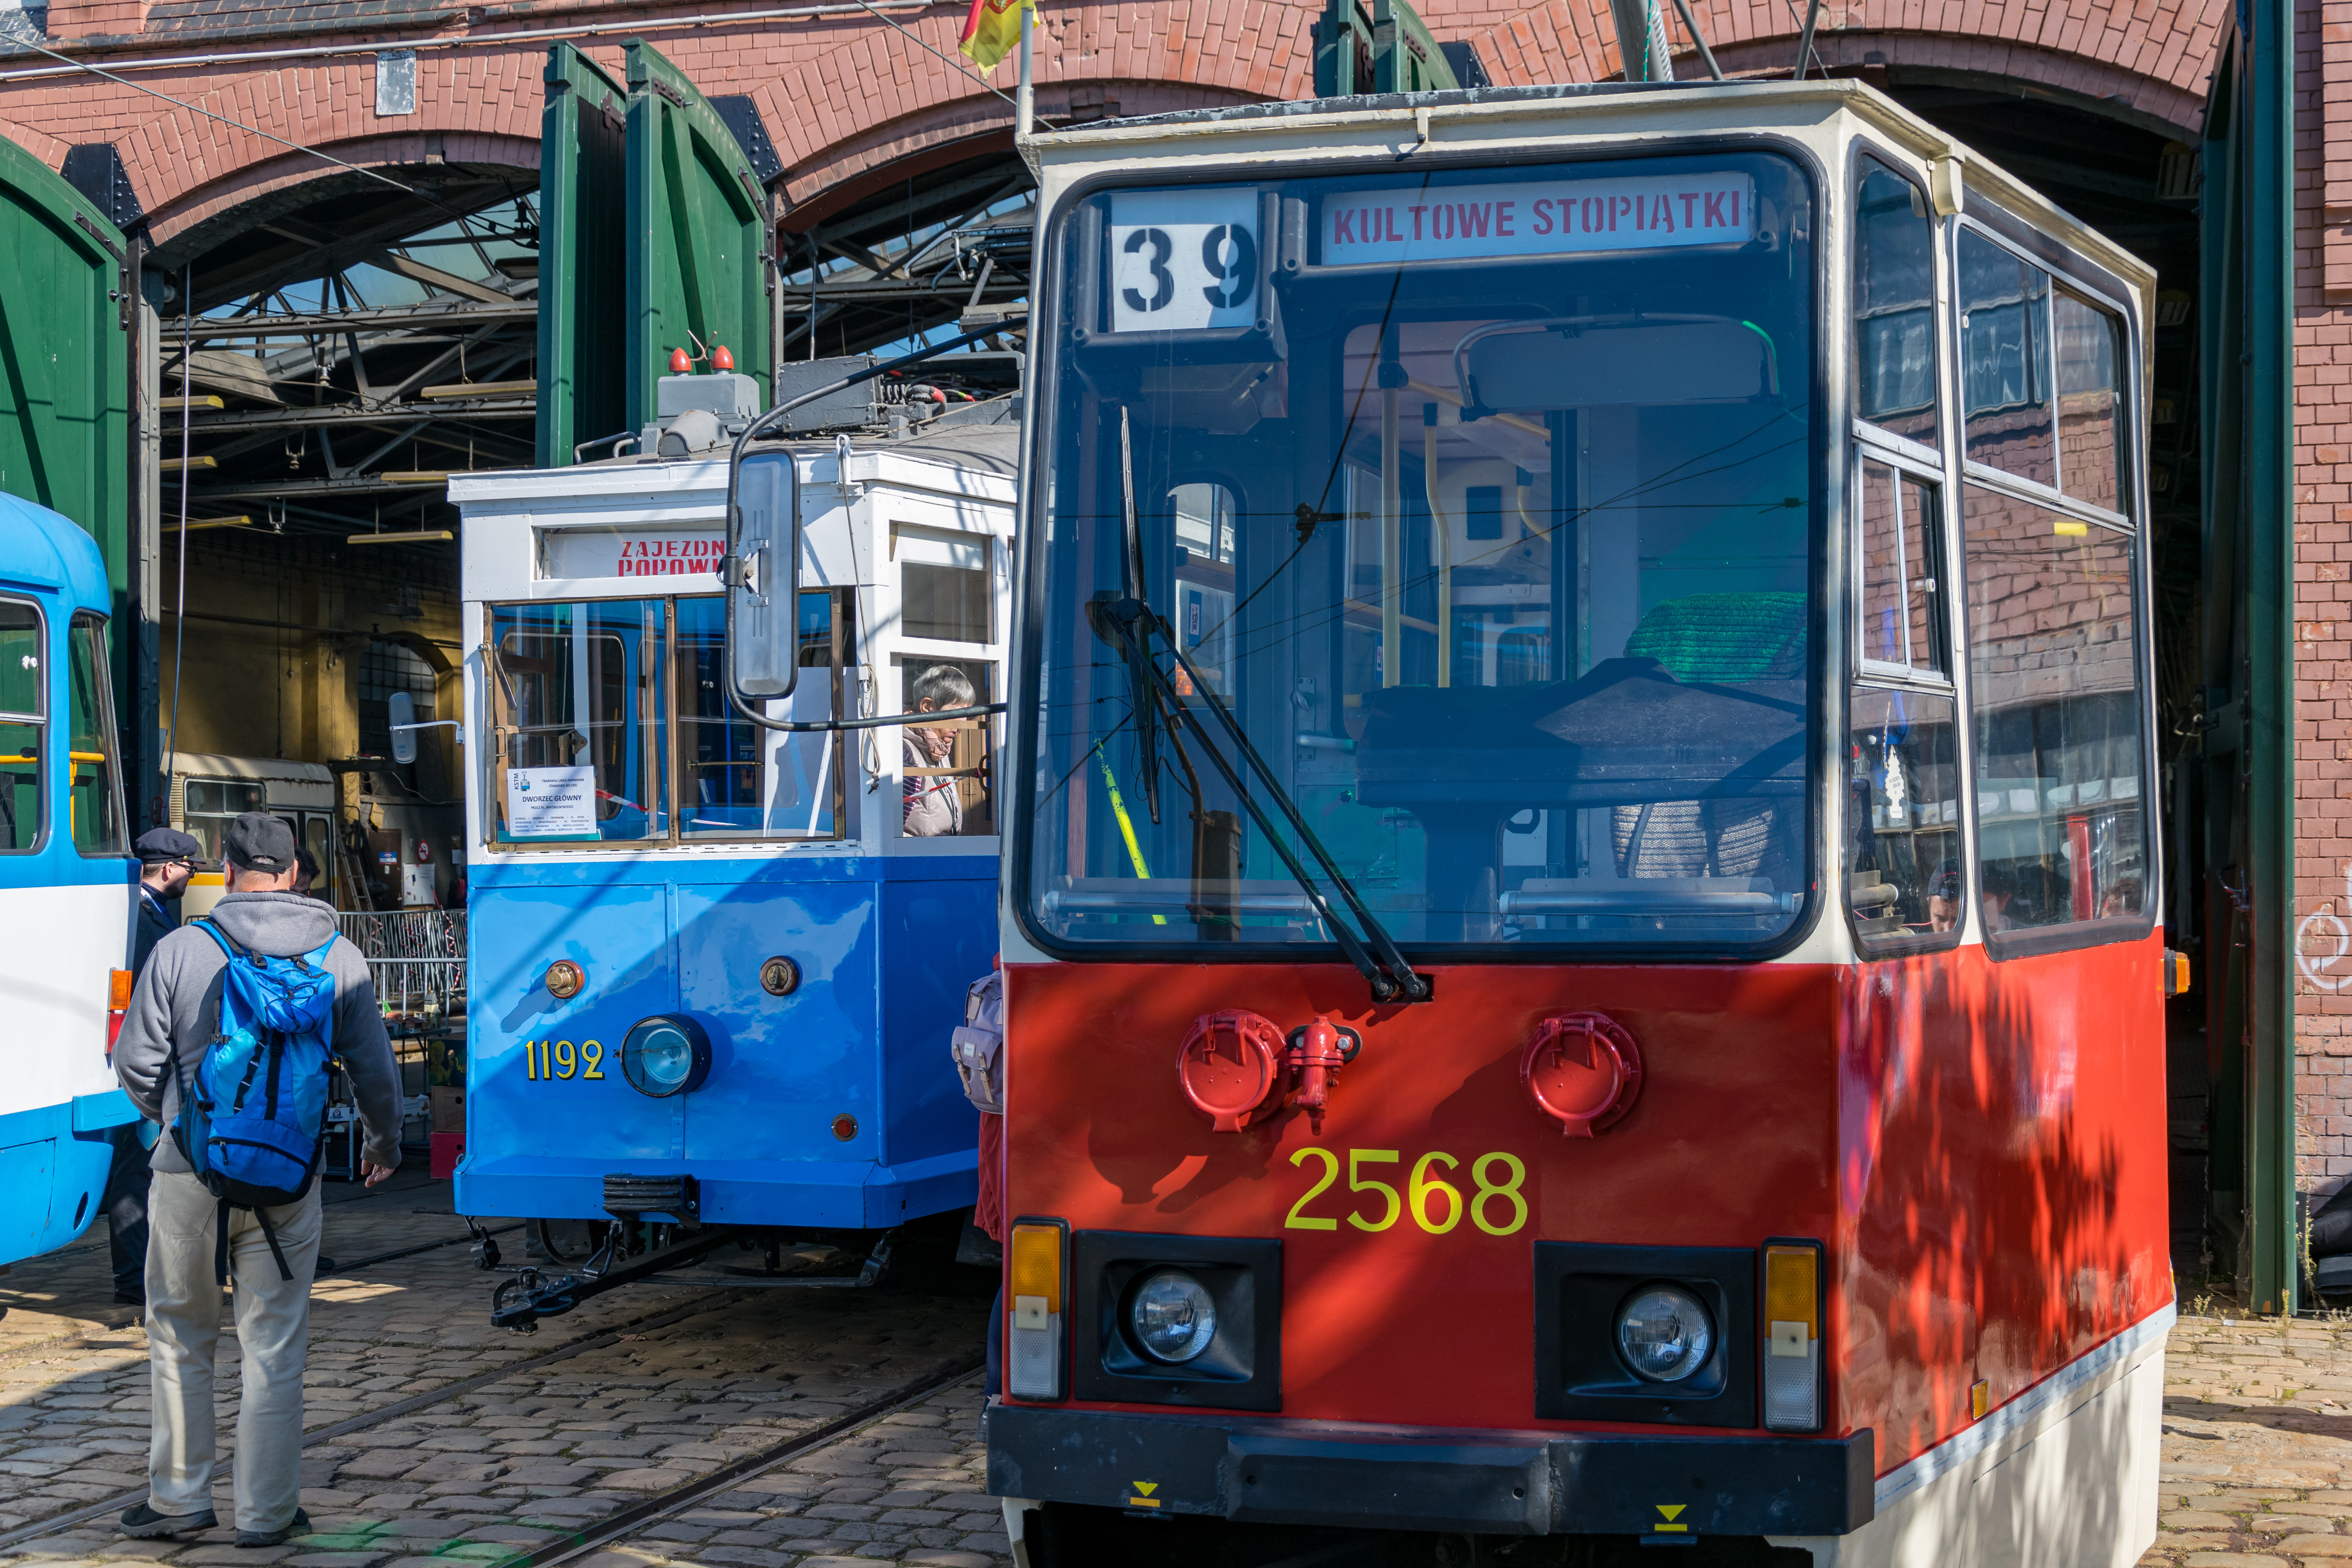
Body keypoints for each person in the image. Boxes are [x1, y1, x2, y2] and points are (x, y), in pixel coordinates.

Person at [111, 813, 405, 1547]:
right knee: (275, 1346)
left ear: (228, 869)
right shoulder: (341, 958)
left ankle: (179, 1500)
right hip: (291, 1182)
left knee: (180, 1333)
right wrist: (384, 1144)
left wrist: (180, 1120)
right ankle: (267, 1512)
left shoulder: (182, 948)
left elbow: (134, 1064)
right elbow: (375, 1071)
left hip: (189, 1175)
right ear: (297, 874)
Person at [105, 829, 204, 1307]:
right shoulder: (144, 921)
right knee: (133, 1169)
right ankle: (132, 1277)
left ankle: (138, 1272)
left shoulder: (142, 911)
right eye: (189, 867)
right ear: (169, 869)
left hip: (137, 1059)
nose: (192, 875)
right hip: (142, 1062)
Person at [903, 664, 975, 838]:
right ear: (928, 707)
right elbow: (903, 814)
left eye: (967, 716)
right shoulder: (905, 750)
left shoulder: (938, 748)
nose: (961, 726)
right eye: (957, 714)